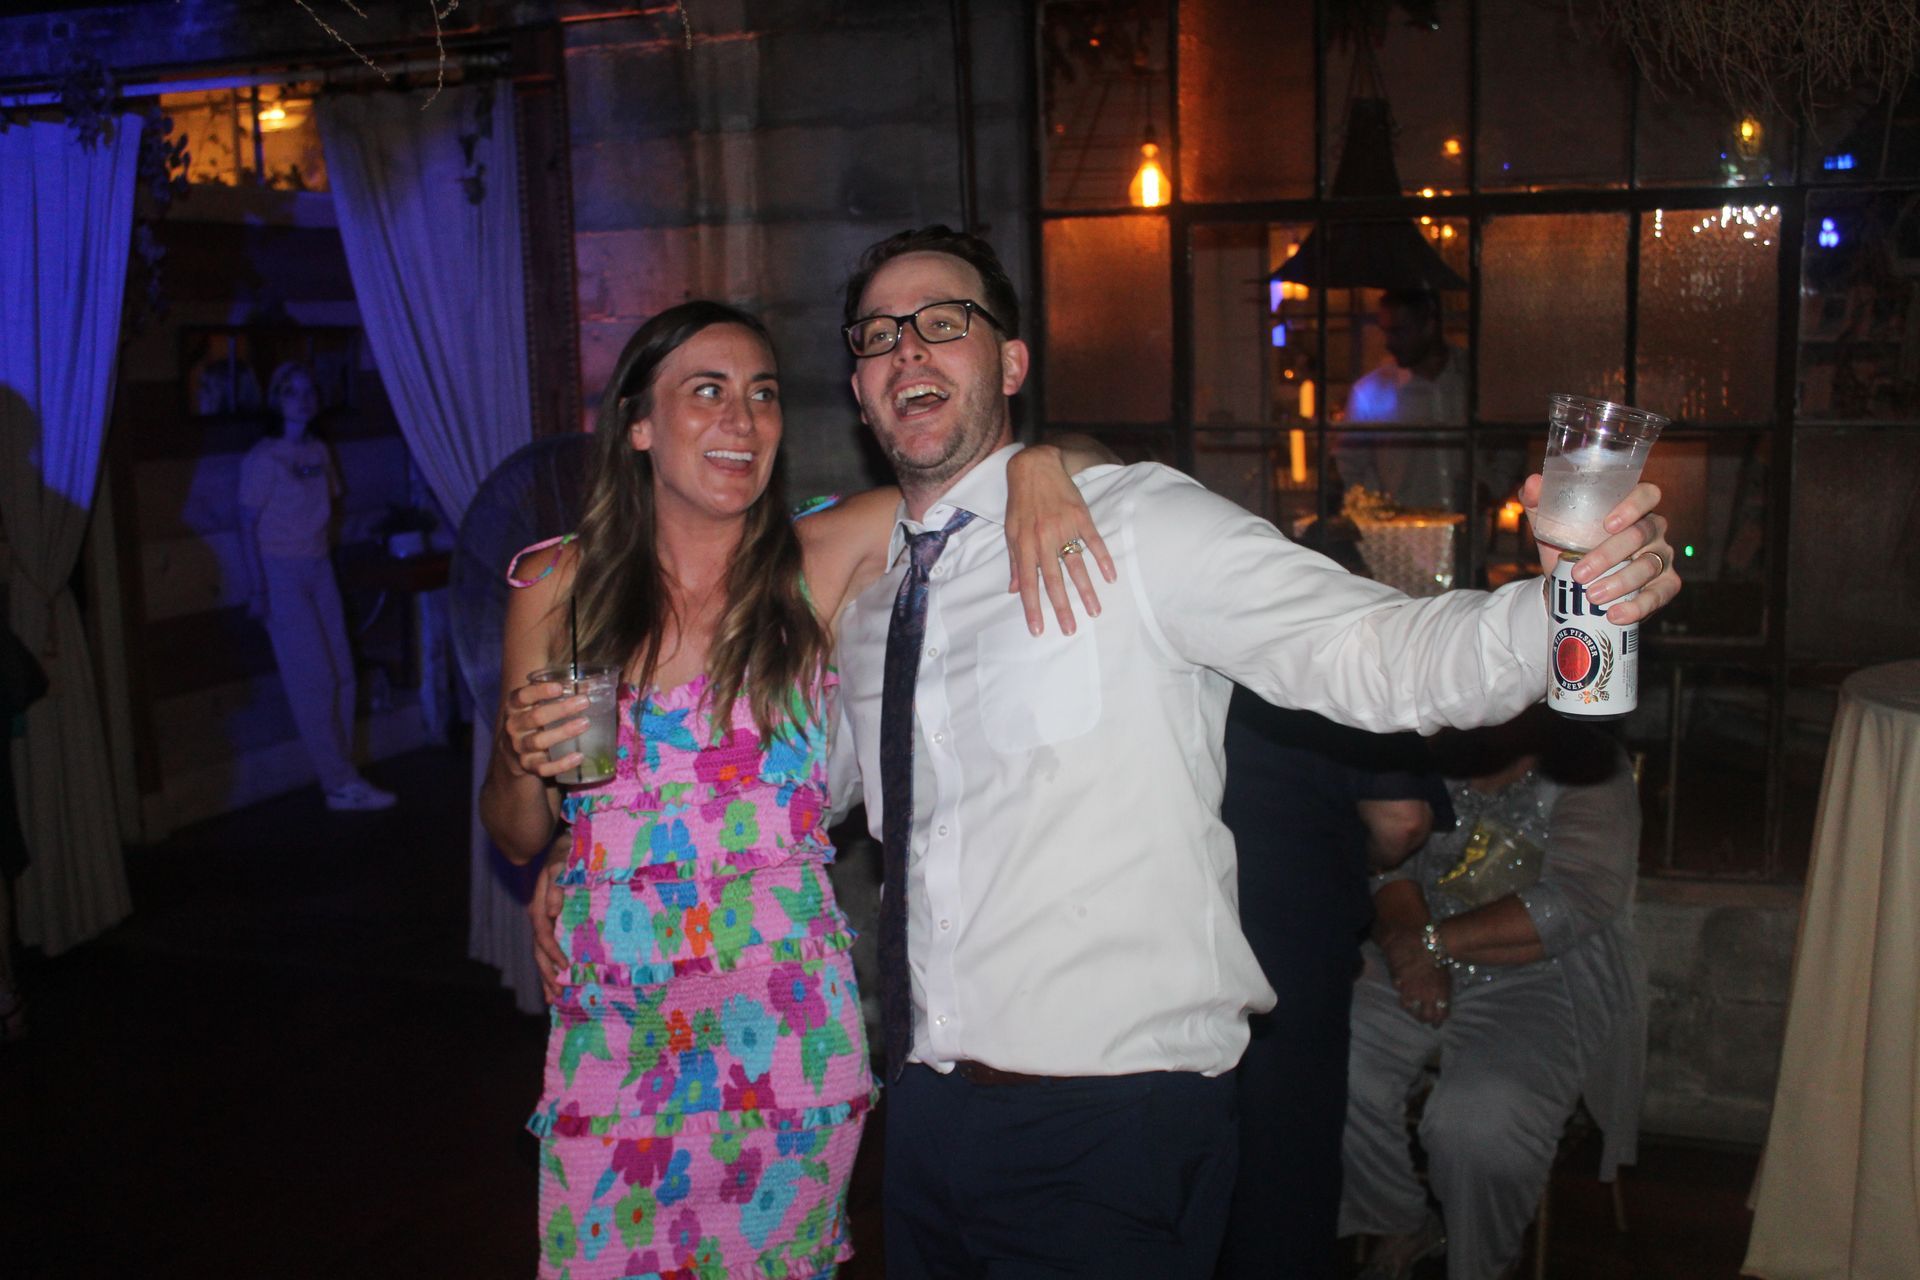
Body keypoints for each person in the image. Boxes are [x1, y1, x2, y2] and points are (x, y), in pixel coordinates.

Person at [825, 225, 1678, 1279]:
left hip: (1109, 1124)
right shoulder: (867, 607)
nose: (908, 350)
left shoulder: (1136, 529)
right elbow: (797, 793)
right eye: (878, 335)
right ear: (860, 390)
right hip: (919, 1117)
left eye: (943, 323)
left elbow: (1371, 651)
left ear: (1009, 362)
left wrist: (1562, 609)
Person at [483, 301, 1111, 1280]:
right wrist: (524, 755)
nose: (743, 417)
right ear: (638, 424)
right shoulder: (556, 586)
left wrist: (1035, 463)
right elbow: (517, 830)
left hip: (779, 1035)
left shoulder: (822, 558)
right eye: (707, 391)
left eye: (763, 394)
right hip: (620, 1024)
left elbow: (1011, 460)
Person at [1340, 709, 1645, 1280]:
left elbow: (1576, 899)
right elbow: (1385, 860)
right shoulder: (1428, 745)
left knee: (1479, 1120)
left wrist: (1432, 944)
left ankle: (1478, 1263)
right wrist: (1413, 943)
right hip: (1410, 944)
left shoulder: (1590, 767)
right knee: (1328, 1054)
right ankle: (1400, 1219)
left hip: (1545, 970)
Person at [1215, 698, 1449, 1280]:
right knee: (1281, 1173)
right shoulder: (1345, 626)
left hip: (1177, 925)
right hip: (1290, 929)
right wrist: (1344, 856)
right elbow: (1402, 820)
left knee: (1188, 1161)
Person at [237, 362, 395, 812]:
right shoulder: (264, 458)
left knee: (343, 673)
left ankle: (344, 775)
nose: (303, 399)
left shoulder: (319, 452)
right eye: (292, 392)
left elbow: (329, 507)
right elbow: (246, 525)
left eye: (309, 391)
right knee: (314, 680)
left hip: (318, 566)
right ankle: (338, 782)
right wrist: (258, 589)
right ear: (276, 399)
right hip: (280, 571)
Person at [1335, 287, 1468, 511]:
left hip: (1471, 532)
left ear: (1429, 325)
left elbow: (1507, 444)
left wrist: (1491, 487)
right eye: (1386, 331)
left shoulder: (1473, 376)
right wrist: (1378, 513)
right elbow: (1349, 469)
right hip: (1402, 538)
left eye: (1398, 331)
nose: (1389, 342)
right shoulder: (1371, 391)